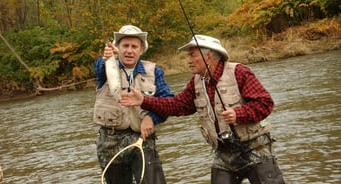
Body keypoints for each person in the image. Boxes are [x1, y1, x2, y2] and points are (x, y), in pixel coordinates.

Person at [119, 35, 286, 184]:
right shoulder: (196, 82)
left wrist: (237, 114)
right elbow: (176, 105)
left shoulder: (239, 72)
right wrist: (143, 100)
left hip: (255, 146)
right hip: (224, 152)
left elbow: (265, 103)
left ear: (208, 56)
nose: (189, 60)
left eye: (193, 55)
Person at [93, 24, 173, 184]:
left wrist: (153, 118)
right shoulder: (105, 66)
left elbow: (168, 102)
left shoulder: (155, 71)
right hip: (110, 142)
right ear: (117, 48)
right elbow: (99, 68)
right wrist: (107, 57)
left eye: (134, 46)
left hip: (143, 141)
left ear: (141, 49)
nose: (129, 50)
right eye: (125, 46)